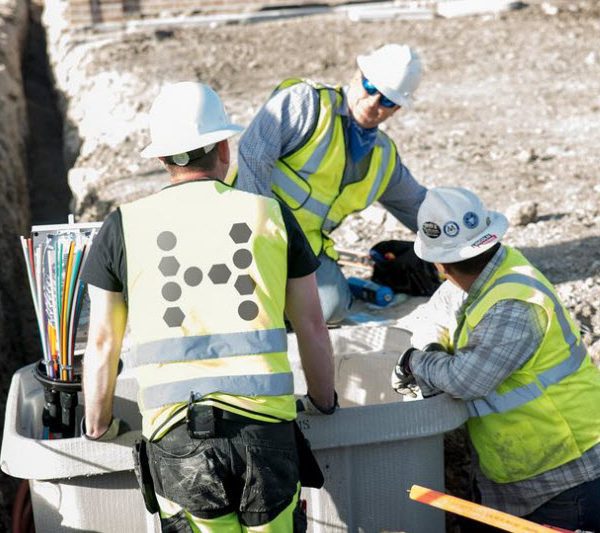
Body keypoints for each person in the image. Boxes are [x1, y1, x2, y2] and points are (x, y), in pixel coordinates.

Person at [80, 81, 336, 532]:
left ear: (161, 159)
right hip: (266, 434)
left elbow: (102, 343)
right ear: (223, 147)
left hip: (177, 439)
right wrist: (322, 401)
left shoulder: (123, 227)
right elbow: (313, 326)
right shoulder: (271, 216)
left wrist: (97, 424)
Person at [391, 186, 600, 532]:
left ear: (439, 264)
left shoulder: (514, 305)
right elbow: (432, 318)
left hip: (567, 475)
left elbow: (465, 380)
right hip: (526, 472)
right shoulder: (490, 275)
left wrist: (416, 363)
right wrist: (430, 348)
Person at [235, 43, 428, 323]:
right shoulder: (307, 104)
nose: (373, 103)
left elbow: (419, 208)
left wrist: (475, 246)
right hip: (250, 231)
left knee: (331, 308)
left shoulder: (382, 159)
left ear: (396, 109)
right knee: (242, 299)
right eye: (370, 87)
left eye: (387, 100)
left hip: (303, 254)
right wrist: (260, 236)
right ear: (356, 75)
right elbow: (253, 154)